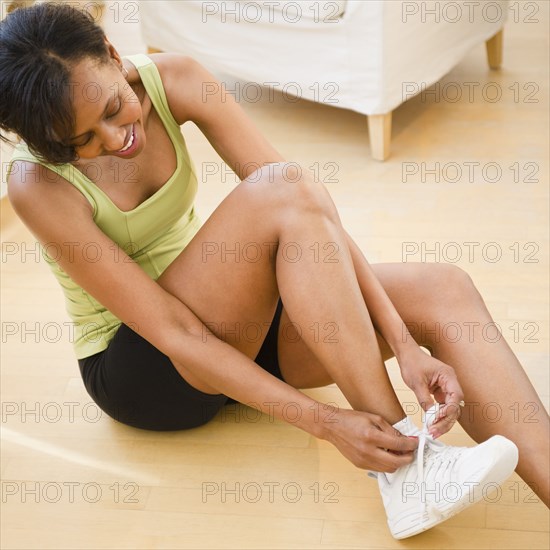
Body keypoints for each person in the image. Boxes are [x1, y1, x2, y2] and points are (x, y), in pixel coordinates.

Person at [0, 2, 547, 539]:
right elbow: (174, 330)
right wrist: (326, 423)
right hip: (146, 365)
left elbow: (311, 208)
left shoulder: (177, 80)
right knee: (276, 191)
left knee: (441, 288)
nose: (114, 140)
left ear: (114, 55)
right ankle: (406, 468)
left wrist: (405, 343)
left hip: (235, 328)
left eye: (115, 108)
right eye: (82, 142)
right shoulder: (36, 184)